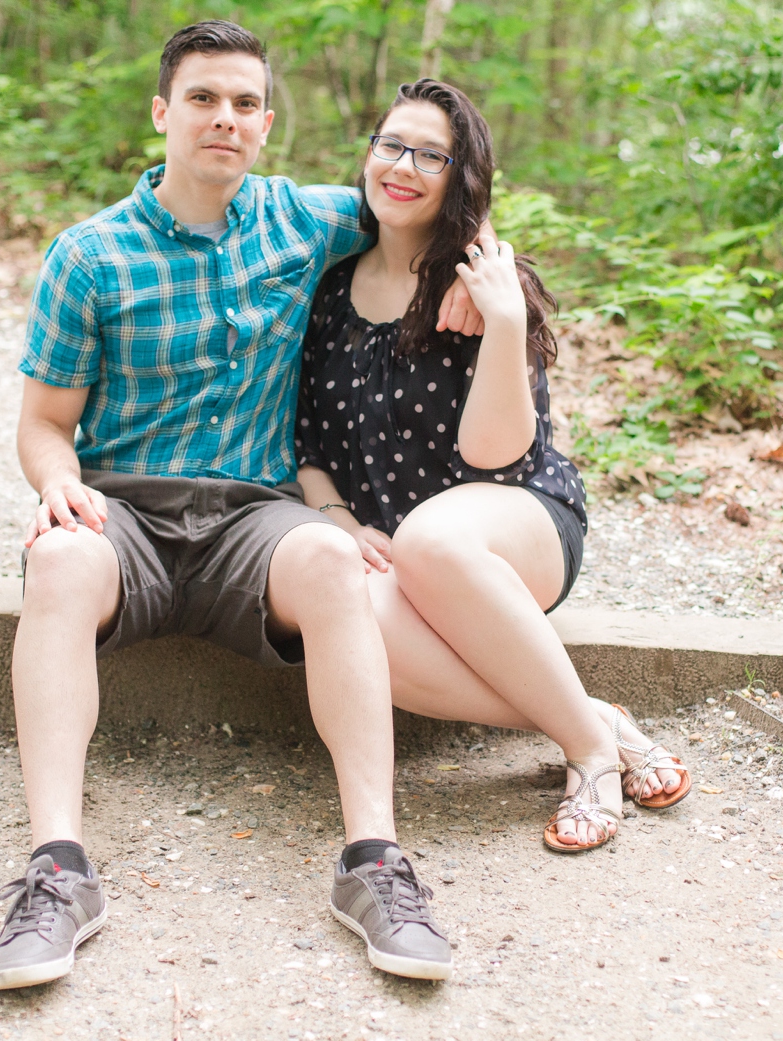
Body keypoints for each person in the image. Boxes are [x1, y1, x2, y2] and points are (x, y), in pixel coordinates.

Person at [0, 22, 487, 990]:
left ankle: (373, 862)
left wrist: (481, 275)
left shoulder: (301, 220)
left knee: (337, 559)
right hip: (123, 514)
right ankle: (57, 873)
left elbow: (419, 194)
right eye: (206, 99)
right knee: (54, 562)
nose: (227, 118)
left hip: (252, 524)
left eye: (247, 104)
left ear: (266, 124)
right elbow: (44, 424)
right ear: (162, 112)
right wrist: (56, 483)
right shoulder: (88, 258)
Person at [294, 80, 692, 855]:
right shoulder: (329, 288)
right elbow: (308, 444)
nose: (403, 166)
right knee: (348, 618)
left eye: (431, 155)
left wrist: (506, 317)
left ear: (460, 176)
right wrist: (338, 519)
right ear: (368, 153)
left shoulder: (485, 286)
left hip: (514, 525)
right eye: (391, 145)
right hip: (394, 548)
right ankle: (593, 718)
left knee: (432, 540)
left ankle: (586, 757)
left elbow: (494, 454)